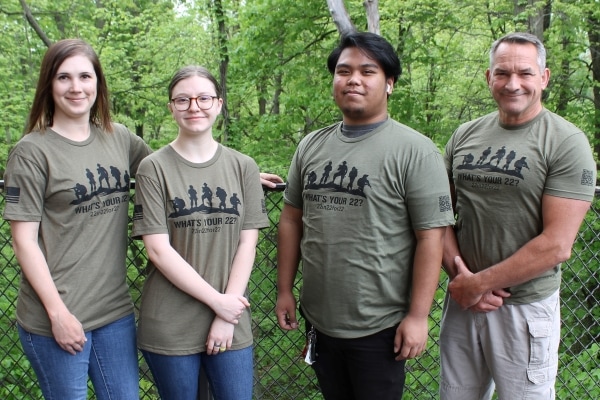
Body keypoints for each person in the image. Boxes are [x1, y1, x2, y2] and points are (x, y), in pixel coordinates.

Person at [275, 32, 455, 400]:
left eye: (367, 71)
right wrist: (284, 290)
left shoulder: (416, 151)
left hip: (380, 327)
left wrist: (418, 317)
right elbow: (292, 220)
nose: (353, 79)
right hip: (320, 321)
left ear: (389, 83)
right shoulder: (311, 145)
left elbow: (431, 238)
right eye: (343, 71)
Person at [440, 32, 597, 399]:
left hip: (525, 309)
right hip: (463, 301)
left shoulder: (566, 142)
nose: (513, 84)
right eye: (502, 73)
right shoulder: (465, 135)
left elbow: (557, 245)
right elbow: (440, 217)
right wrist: (462, 280)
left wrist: (478, 284)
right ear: (488, 77)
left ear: (544, 77)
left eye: (525, 73)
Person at [3, 39, 152, 399]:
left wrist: (233, 176)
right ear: (49, 85)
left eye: (85, 76)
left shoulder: (119, 138)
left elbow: (173, 170)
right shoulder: (31, 153)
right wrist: (58, 315)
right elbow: (23, 241)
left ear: (97, 83)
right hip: (56, 316)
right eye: (63, 77)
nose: (76, 87)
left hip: (114, 312)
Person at [132, 65, 269, 400]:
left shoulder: (243, 167)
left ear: (219, 104)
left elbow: (247, 242)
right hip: (170, 324)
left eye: (204, 98)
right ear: (171, 108)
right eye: (183, 100)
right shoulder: (153, 168)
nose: (194, 107)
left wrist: (227, 312)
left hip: (231, 319)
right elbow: (158, 250)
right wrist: (217, 303)